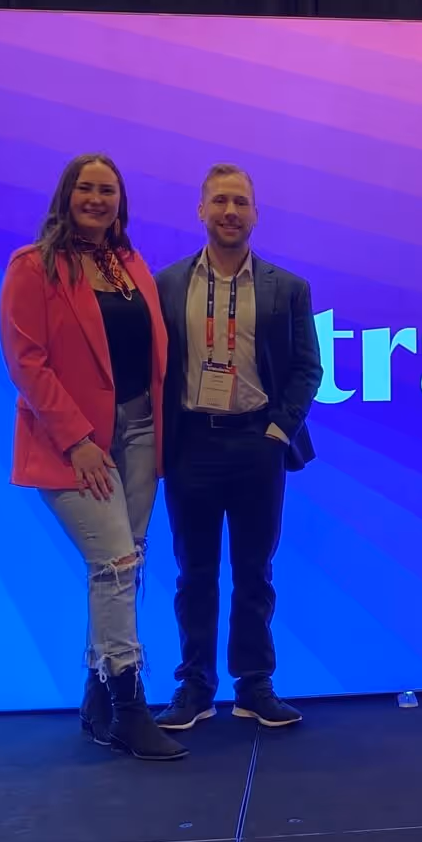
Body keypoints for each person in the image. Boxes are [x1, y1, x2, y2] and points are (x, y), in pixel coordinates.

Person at [0, 153, 186, 761]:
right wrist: (78, 439)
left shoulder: (131, 265)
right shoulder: (35, 266)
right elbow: (27, 362)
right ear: (66, 194)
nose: (97, 199)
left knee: (124, 565)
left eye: (108, 190)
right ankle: (131, 707)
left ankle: (98, 699)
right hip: (75, 444)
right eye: (87, 188)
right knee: (115, 565)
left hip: (138, 433)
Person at [154, 163, 322, 731]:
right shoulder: (168, 284)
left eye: (241, 202)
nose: (230, 211)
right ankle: (195, 688)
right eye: (220, 201)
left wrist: (277, 431)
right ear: (200, 210)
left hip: (258, 443)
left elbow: (306, 368)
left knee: (256, 571)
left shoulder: (288, 288)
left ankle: (255, 686)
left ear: (256, 214)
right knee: (193, 573)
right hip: (191, 445)